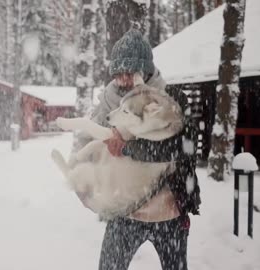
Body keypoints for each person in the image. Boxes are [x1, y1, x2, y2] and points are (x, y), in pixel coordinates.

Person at [73, 29, 201, 270]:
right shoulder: (109, 103)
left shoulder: (172, 99)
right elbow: (90, 139)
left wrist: (129, 148)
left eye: (129, 72)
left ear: (145, 70)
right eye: (118, 73)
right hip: (125, 212)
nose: (122, 80)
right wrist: (81, 178)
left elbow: (182, 147)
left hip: (169, 213)